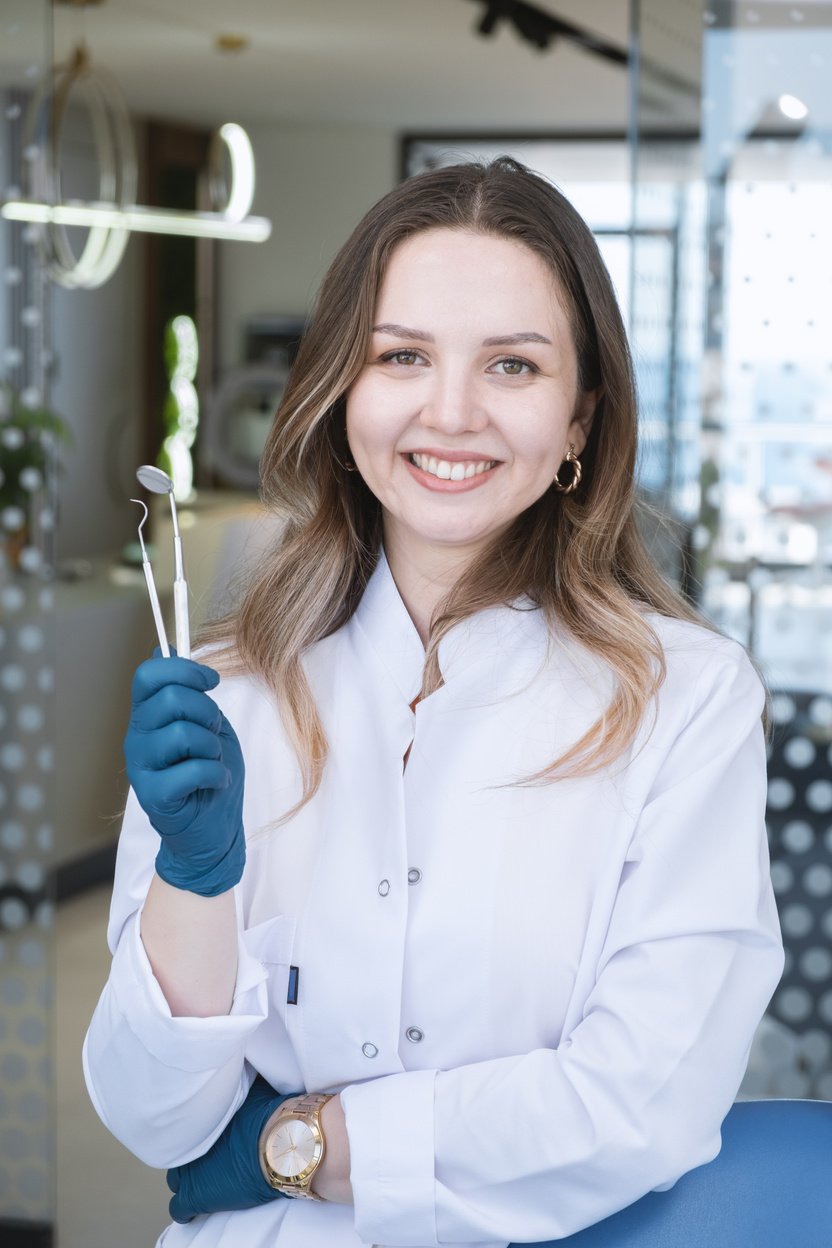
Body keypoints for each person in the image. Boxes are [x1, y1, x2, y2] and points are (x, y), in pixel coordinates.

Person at [84, 157, 783, 1248]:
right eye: (401, 356)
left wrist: (294, 1144)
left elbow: (644, 1100)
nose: (449, 413)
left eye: (511, 364)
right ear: (342, 393)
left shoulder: (685, 699)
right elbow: (152, 1116)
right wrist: (193, 877)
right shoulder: (229, 689)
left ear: (580, 421)